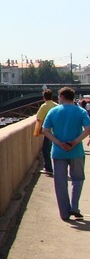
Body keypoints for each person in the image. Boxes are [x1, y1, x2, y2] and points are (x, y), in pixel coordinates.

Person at [42, 87, 90, 221]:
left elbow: (45, 130)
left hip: (58, 152)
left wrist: (59, 143)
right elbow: (88, 129)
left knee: (60, 183)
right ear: (73, 97)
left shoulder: (53, 111)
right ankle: (74, 206)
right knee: (78, 179)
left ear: (62, 96)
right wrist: (74, 142)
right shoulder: (80, 111)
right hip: (76, 151)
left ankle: (64, 213)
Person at [34, 89, 58, 176]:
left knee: (46, 150)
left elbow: (38, 119)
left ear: (44, 97)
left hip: (48, 132)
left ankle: (48, 168)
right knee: (54, 150)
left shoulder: (44, 106)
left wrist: (37, 131)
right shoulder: (57, 106)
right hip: (57, 131)